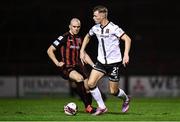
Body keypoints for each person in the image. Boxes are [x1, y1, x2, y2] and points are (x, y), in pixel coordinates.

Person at [80, 5, 131, 115]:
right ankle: (102, 107)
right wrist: (82, 50)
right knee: (90, 83)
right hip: (101, 62)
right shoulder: (95, 28)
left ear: (103, 15)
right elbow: (87, 36)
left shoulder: (113, 28)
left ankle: (126, 99)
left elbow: (127, 39)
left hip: (114, 64)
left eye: (95, 15)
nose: (93, 18)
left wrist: (126, 54)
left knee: (113, 91)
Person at [47, 18, 96, 113]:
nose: (76, 28)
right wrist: (57, 62)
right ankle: (88, 107)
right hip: (67, 67)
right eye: (74, 26)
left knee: (88, 86)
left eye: (78, 27)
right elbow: (49, 50)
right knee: (79, 78)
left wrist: (93, 65)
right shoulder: (63, 37)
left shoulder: (79, 38)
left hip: (78, 66)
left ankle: (89, 107)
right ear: (70, 26)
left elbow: (84, 53)